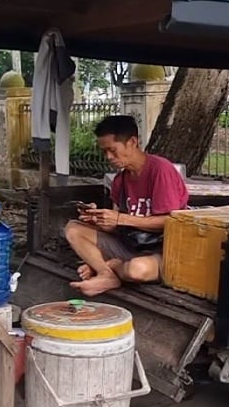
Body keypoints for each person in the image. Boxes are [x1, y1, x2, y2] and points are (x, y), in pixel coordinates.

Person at [65, 116, 188, 297]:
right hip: (130, 246)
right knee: (73, 229)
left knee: (136, 271)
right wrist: (98, 219)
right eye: (105, 151)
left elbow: (170, 221)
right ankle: (106, 274)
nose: (109, 157)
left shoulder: (160, 170)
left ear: (132, 142)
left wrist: (120, 218)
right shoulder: (120, 181)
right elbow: (117, 227)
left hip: (162, 251)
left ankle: (112, 266)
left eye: (112, 150)